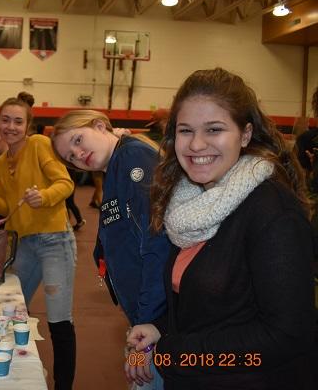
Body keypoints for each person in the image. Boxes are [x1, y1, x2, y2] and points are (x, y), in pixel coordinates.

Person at [125, 68, 315, 389]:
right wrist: (160, 328)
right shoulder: (190, 204)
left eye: (214, 129)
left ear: (245, 134)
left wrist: (171, 354)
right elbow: (212, 307)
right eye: (186, 130)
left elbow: (285, 335)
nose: (196, 144)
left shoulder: (273, 212)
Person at [53, 109, 170, 390]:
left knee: (147, 382)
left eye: (78, 140)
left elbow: (157, 242)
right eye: (70, 157)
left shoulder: (132, 157)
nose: (78, 154)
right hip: (147, 314)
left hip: (158, 319)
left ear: (99, 125)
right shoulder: (117, 166)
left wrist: (147, 324)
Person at [0, 97, 77, 390]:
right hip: (24, 244)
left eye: (18, 121)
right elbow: (10, 207)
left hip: (55, 241)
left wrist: (44, 196)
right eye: (5, 120)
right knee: (13, 310)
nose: (11, 127)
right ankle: (18, 368)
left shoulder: (39, 145)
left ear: (28, 125)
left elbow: (65, 183)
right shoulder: (0, 163)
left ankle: (63, 385)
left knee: (59, 320)